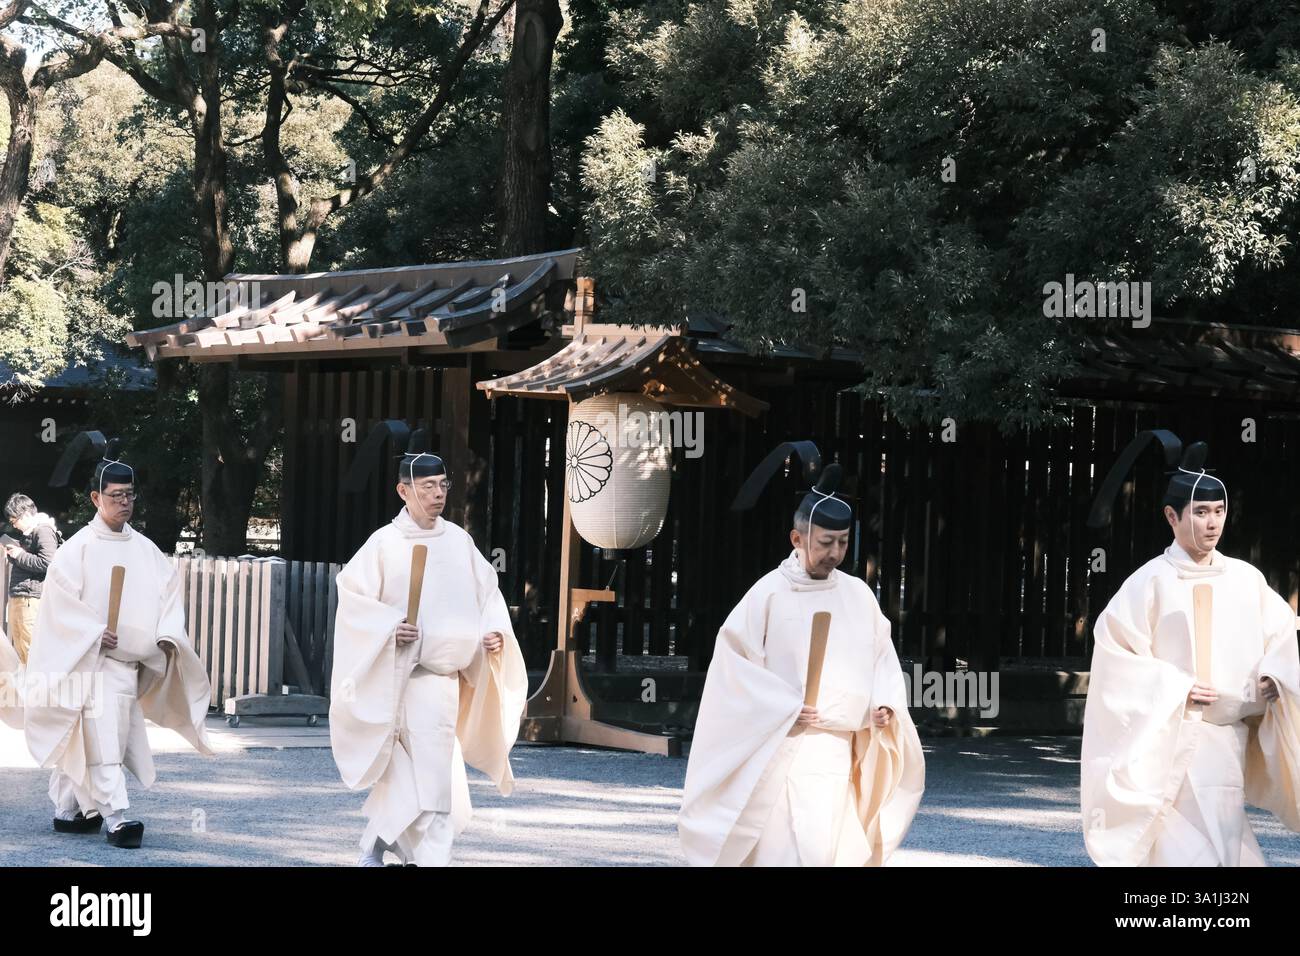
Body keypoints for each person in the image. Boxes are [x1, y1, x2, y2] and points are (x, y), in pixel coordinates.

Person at [679, 441, 925, 866]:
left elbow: (880, 656)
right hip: (785, 749)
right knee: (787, 850)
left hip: (839, 752)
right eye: (826, 542)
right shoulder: (768, 594)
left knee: (831, 849)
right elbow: (733, 669)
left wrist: (881, 703)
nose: (835, 553)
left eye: (843, 543)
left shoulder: (858, 595)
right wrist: (783, 707)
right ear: (798, 538)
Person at [1082, 429, 1300, 866]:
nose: (1213, 522)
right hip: (1176, 730)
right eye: (1200, 512)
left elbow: (1282, 634)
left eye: (1219, 511)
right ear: (1172, 517)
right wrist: (1175, 686)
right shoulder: (1148, 582)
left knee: (1223, 826)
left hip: (1232, 730)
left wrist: (1275, 674)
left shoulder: (1246, 578)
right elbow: (1115, 654)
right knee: (1187, 839)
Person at [330, 421, 527, 867]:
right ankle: (400, 851)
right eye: (427, 487)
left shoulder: (459, 542)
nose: (437, 495)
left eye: (442, 485)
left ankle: (381, 847)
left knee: (432, 782)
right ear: (404, 491)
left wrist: (491, 632)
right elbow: (353, 599)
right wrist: (386, 629)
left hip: (443, 682)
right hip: (397, 678)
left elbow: (487, 595)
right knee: (415, 781)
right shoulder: (384, 544)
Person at [24, 432, 212, 848]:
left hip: (130, 662)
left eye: (129, 495)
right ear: (96, 498)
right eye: (115, 495)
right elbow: (59, 604)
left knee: (95, 735)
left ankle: (67, 810)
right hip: (91, 661)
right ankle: (117, 818)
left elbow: (168, 598)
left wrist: (166, 635)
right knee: (102, 737)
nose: (124, 502)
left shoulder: (146, 550)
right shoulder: (77, 550)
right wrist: (91, 632)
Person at [3, 493, 60, 665]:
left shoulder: (43, 530)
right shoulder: (32, 532)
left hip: (31, 597)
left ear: (26, 514)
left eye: (15, 521)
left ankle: (38, 689)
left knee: (30, 648)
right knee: (21, 646)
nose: (14, 526)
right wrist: (15, 554)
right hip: (22, 596)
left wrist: (19, 554)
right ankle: (29, 687)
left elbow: (48, 562)